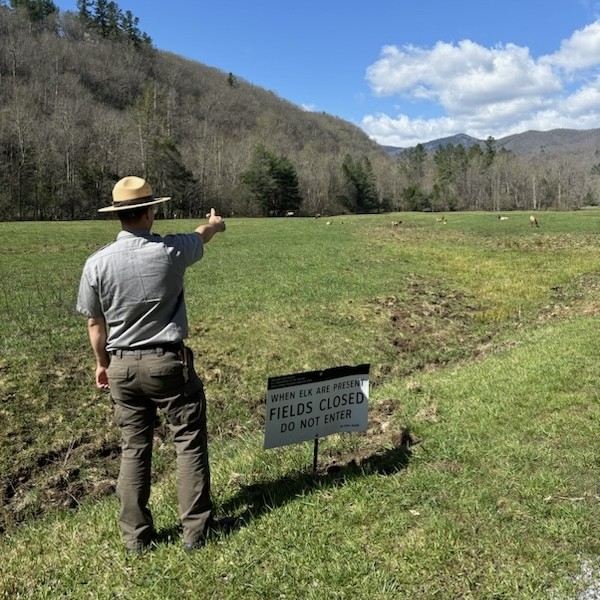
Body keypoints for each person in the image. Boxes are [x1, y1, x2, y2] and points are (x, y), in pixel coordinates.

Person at [76, 175, 226, 553]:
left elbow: (95, 324)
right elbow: (201, 235)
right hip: (168, 363)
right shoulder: (170, 251)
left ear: (118, 216)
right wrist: (214, 225)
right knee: (188, 442)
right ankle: (195, 532)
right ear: (151, 211)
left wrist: (102, 364)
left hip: (122, 366)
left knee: (134, 448)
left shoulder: (96, 264)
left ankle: (136, 539)